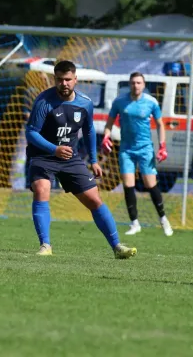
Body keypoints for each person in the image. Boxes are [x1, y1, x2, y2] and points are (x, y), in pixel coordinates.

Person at [26, 60, 137, 258]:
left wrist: (94, 160)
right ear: (55, 79)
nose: (64, 84)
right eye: (59, 80)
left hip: (70, 158)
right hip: (43, 156)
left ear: (75, 79)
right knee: (41, 190)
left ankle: (117, 246)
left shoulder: (85, 103)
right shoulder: (43, 101)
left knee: (94, 200)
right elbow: (31, 133)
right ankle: (45, 246)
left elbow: (89, 130)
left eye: (68, 79)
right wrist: (54, 149)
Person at [101, 72, 173, 236]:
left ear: (144, 85)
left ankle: (163, 219)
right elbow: (109, 122)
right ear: (129, 84)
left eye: (139, 83)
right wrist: (106, 136)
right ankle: (134, 223)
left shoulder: (151, 102)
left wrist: (162, 146)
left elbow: (160, 124)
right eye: (133, 82)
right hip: (126, 149)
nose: (136, 85)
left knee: (150, 185)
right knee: (128, 185)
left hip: (145, 149)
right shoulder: (120, 102)